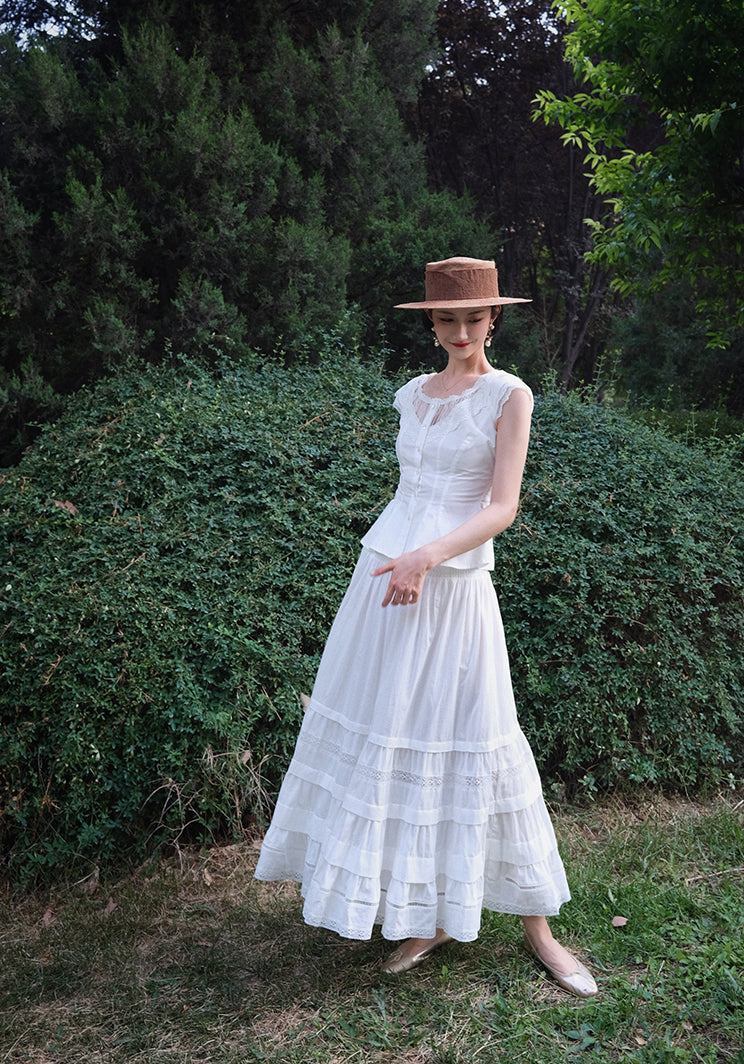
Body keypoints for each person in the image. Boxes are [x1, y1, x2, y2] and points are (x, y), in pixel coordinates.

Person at [254, 257, 597, 998]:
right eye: (449, 320)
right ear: (432, 324)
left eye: (475, 319)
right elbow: (412, 488)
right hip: (384, 579)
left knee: (479, 731)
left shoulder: (510, 395)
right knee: (393, 731)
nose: (463, 332)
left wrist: (430, 556)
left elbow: (501, 505)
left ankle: (541, 929)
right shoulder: (410, 395)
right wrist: (399, 557)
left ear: (493, 321)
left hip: (451, 584)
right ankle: (430, 912)